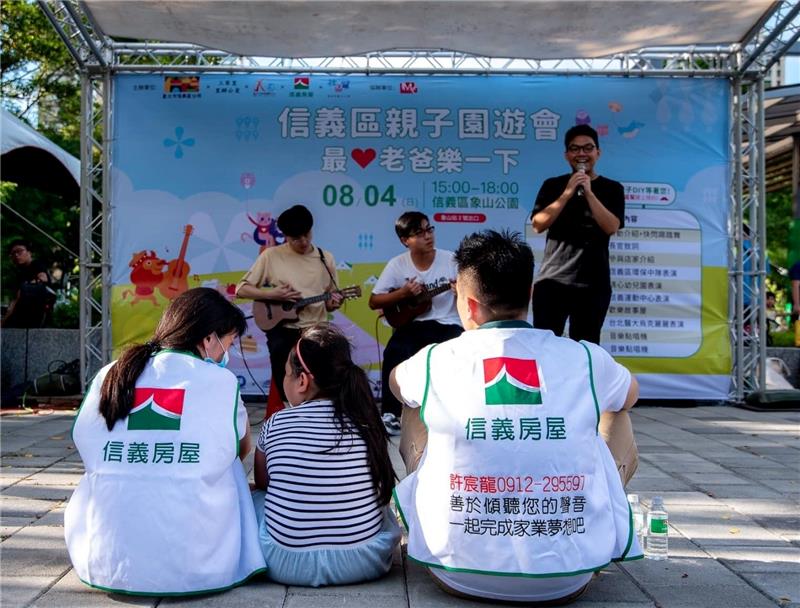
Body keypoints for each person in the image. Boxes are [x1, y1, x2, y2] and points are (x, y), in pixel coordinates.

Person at [390, 230, 641, 604]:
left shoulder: (435, 359)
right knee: (617, 408)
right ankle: (595, 516)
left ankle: (434, 510)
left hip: (457, 571)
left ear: (468, 304)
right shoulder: (585, 357)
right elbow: (630, 394)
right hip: (566, 578)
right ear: (531, 294)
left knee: (414, 402)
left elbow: (396, 384)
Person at [64, 288, 266, 595]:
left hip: (103, 560)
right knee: (230, 466)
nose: (228, 353)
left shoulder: (112, 373)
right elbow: (240, 449)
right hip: (198, 566)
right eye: (229, 342)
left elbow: (87, 443)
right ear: (209, 339)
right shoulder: (221, 382)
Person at [251, 323, 401, 586]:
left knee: (254, 498)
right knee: (383, 510)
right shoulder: (366, 422)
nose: (283, 379)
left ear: (302, 381)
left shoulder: (275, 423)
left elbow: (264, 482)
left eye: (286, 373)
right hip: (366, 561)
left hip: (283, 563)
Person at [236, 204, 342, 401]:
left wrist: (334, 303)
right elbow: (241, 289)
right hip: (283, 328)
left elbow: (330, 300)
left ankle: (320, 409)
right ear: (285, 236)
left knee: (323, 370)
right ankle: (288, 409)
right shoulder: (271, 256)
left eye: (306, 235)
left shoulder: (325, 258)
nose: (303, 242)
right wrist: (273, 294)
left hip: (316, 327)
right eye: (296, 238)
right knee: (281, 361)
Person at [368, 212, 463, 433]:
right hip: (413, 324)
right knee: (394, 350)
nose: (428, 236)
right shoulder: (397, 264)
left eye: (429, 230)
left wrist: (461, 291)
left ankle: (454, 414)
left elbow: (471, 293)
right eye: (419, 233)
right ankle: (391, 414)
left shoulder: (451, 260)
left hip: (448, 323)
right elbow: (374, 301)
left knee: (454, 352)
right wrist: (403, 293)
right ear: (405, 240)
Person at [531, 124, 625, 344]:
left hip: (593, 284)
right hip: (552, 281)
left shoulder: (613, 188)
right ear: (567, 155)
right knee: (544, 345)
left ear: (597, 153)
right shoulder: (552, 185)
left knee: (586, 347)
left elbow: (611, 227)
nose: (581, 153)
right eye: (575, 149)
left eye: (588, 148)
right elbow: (538, 224)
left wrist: (589, 193)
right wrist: (567, 193)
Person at [1, 239, 55, 328]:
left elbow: (43, 279)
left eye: (19, 251)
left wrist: (27, 286)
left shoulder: (37, 265)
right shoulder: (19, 273)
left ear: (29, 253)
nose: (16, 255)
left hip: (36, 312)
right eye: (13, 253)